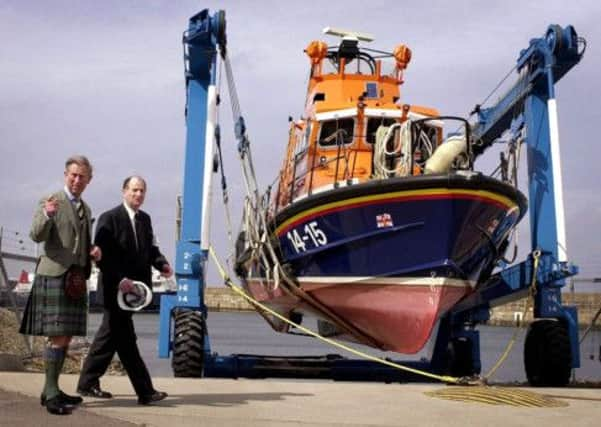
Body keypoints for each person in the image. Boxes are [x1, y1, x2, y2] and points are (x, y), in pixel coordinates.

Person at [77, 175, 172, 405]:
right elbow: (101, 256)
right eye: (134, 190)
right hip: (114, 289)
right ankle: (145, 391)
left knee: (108, 338)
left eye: (142, 191)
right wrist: (119, 279)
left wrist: (162, 264)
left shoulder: (145, 220)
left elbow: (149, 250)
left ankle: (87, 382)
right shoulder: (109, 218)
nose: (138, 195)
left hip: (134, 293)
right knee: (126, 342)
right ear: (124, 191)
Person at [20, 155, 102, 415]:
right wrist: (47, 214)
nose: (77, 180)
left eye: (82, 177)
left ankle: (51, 388)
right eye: (73, 175)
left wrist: (92, 251)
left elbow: (80, 242)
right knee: (57, 336)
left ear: (89, 180)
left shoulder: (86, 209)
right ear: (66, 174)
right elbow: (36, 234)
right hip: (54, 274)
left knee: (65, 336)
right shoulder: (51, 201)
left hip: (74, 279)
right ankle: (51, 392)